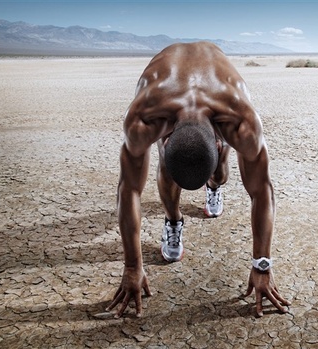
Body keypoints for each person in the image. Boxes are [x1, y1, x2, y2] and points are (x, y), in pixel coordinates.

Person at [107, 42, 290, 318]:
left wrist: (262, 266)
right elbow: (129, 189)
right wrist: (133, 267)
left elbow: (262, 190)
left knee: (220, 175)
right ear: (164, 142)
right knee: (169, 174)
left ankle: (213, 185)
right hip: (165, 90)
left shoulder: (241, 122)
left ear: (220, 143)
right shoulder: (143, 118)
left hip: (219, 96)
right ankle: (172, 220)